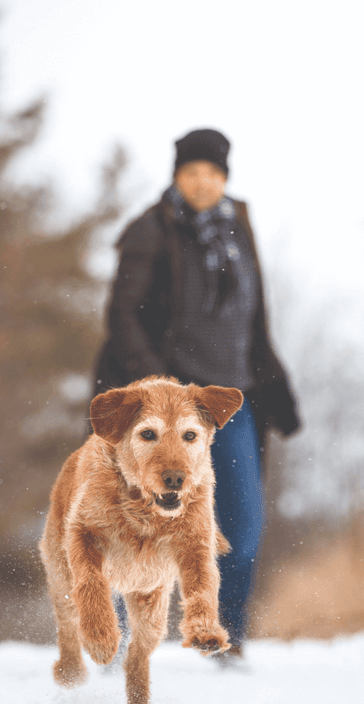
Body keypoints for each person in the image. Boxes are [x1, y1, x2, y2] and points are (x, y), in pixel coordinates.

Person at [92, 127, 300, 662]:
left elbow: (253, 320)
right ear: (177, 176)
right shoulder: (150, 232)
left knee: (243, 526)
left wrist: (275, 384)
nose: (202, 183)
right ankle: (119, 641)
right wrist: (157, 390)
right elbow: (122, 318)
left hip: (233, 401)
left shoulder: (238, 227)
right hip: (167, 409)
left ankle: (223, 639)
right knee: (133, 519)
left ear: (225, 178)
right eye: (192, 173)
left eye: (212, 173)